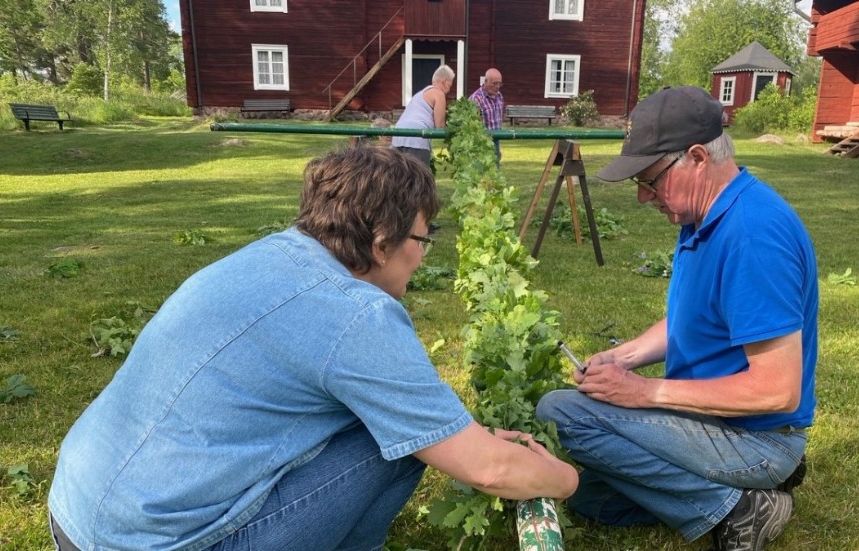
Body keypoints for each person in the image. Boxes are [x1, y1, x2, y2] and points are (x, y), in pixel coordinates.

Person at [48, 146, 578, 551]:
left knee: (401, 427)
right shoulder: (356, 314)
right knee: (396, 444)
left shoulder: (265, 255)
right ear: (380, 242)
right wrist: (565, 479)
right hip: (155, 543)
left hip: (75, 515)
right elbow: (489, 469)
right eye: (423, 238)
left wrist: (461, 435)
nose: (422, 255)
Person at [536, 86, 818, 551]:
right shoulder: (702, 218)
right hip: (712, 423)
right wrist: (620, 358)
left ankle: (742, 505)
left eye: (651, 179)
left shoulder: (752, 236)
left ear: (698, 158)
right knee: (591, 499)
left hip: (757, 438)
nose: (645, 198)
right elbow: (689, 321)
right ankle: (738, 494)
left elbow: (778, 391)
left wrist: (644, 391)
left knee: (561, 413)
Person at [392, 64, 455, 167]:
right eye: (450, 85)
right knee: (419, 177)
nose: (449, 90)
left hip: (398, 136)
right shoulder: (439, 94)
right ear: (444, 82)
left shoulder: (420, 94)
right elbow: (440, 126)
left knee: (400, 177)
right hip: (416, 138)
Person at [469, 67, 505, 164]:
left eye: (499, 83)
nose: (497, 86)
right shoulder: (476, 99)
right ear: (485, 82)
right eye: (494, 83)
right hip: (481, 142)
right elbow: (473, 126)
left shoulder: (499, 96)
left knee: (495, 173)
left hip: (496, 139)